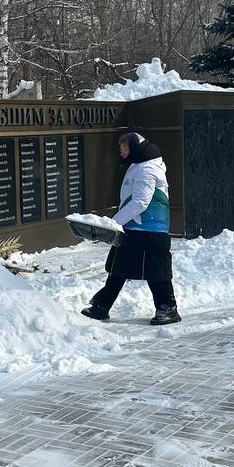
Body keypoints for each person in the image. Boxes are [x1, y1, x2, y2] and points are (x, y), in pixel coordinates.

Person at [81, 132, 180, 325]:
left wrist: (113, 224)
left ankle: (168, 309)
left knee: (157, 271)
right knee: (119, 268)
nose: (121, 151)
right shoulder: (138, 165)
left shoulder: (147, 169)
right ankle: (101, 306)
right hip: (135, 227)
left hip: (151, 229)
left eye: (124, 147)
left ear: (135, 148)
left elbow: (141, 202)